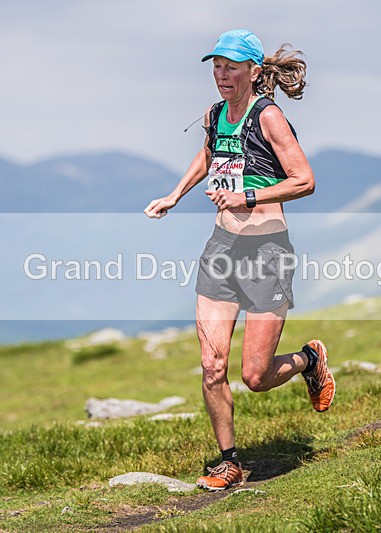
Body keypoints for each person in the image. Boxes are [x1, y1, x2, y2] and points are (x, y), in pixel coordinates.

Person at [144, 29, 335, 491]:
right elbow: (208, 153)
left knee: (254, 376)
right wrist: (174, 194)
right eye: (216, 66)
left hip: (267, 254)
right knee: (212, 366)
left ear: (253, 70)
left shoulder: (269, 118)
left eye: (231, 66)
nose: (222, 74)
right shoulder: (214, 115)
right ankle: (229, 462)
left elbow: (304, 180)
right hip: (221, 251)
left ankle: (309, 360)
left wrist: (246, 196)